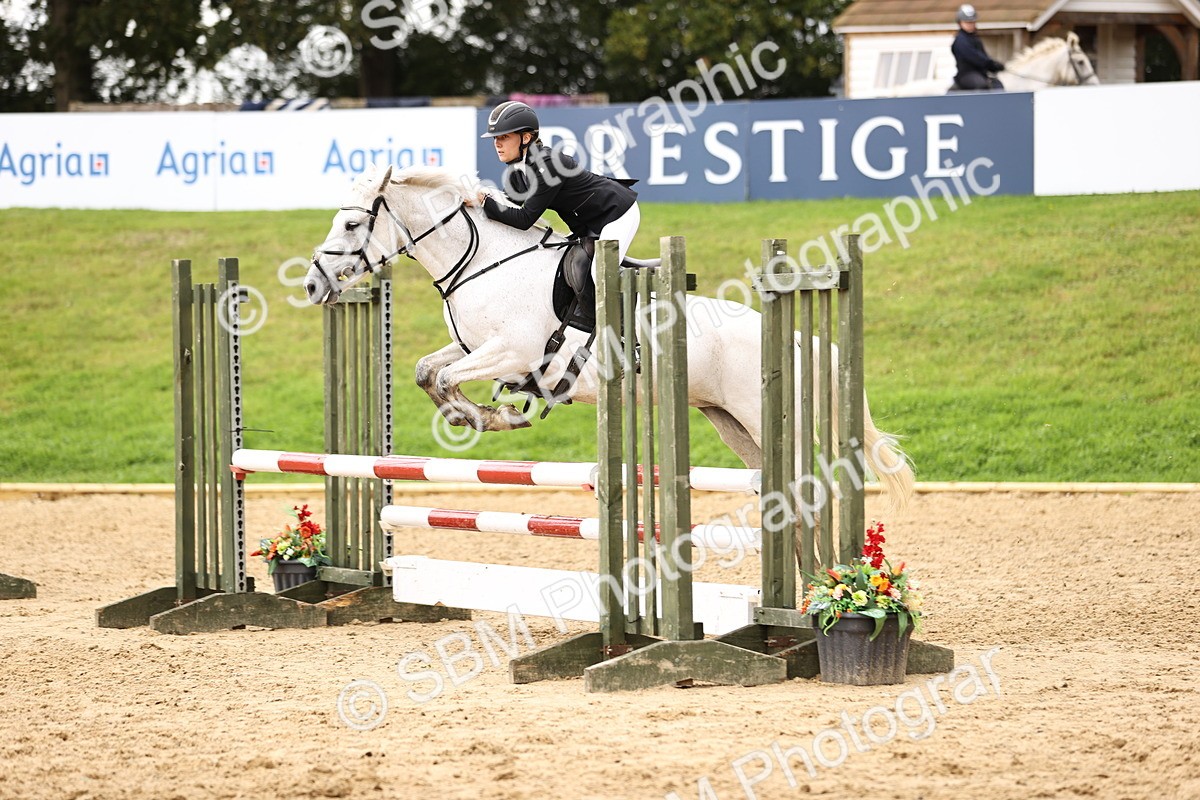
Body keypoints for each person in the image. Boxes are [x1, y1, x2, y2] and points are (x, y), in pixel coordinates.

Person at [470, 101, 640, 291]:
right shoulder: (518, 167)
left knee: (599, 273)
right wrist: (476, 202)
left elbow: (524, 219)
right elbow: (510, 205)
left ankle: (627, 315)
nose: (497, 144)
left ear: (526, 138)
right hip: (588, 223)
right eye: (495, 138)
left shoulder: (547, 165)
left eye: (504, 137)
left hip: (616, 213)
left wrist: (484, 201)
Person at [952, 4, 1005, 90]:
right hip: (966, 74)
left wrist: (994, 64)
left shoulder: (974, 38)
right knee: (981, 85)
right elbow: (975, 57)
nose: (970, 25)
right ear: (960, 23)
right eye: (967, 22)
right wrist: (990, 64)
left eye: (972, 22)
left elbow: (983, 55)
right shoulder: (961, 40)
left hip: (980, 73)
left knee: (997, 85)